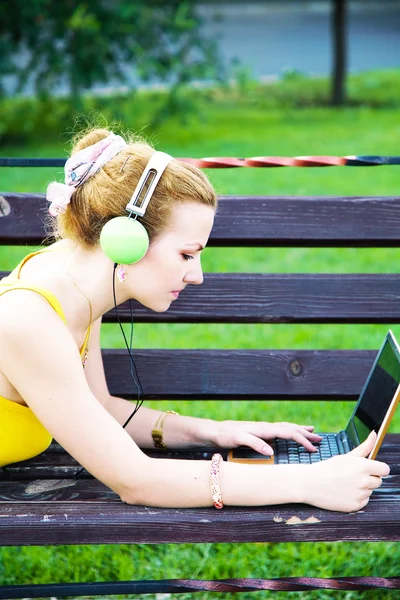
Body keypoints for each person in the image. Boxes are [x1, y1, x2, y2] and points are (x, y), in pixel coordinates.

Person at [0, 127, 389, 513]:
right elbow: (137, 481)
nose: (197, 275)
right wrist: (310, 482)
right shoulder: (30, 318)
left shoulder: (76, 280)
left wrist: (216, 432)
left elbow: (99, 407)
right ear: (124, 241)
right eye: (187, 254)